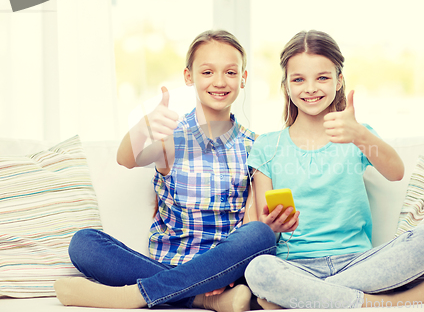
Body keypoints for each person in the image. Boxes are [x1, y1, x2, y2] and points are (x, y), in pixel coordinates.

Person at [54, 30, 276, 310]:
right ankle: (201, 298)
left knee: (260, 235)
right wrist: (144, 125)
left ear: (243, 79)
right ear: (188, 77)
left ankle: (135, 295)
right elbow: (127, 158)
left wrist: (232, 267)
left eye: (230, 73)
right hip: (165, 264)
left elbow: (250, 222)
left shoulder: (255, 145)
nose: (219, 81)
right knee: (83, 243)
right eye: (207, 72)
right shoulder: (173, 137)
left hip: (223, 269)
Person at [244, 30, 424, 309]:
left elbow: (396, 171)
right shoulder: (267, 146)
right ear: (286, 85)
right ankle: (374, 303)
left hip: (359, 262)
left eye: (322, 78)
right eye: (298, 79)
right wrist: (272, 228)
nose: (311, 88)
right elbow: (255, 230)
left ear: (339, 81)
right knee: (258, 270)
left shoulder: (357, 135)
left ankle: (308, 299)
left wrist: (359, 135)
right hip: (297, 266)